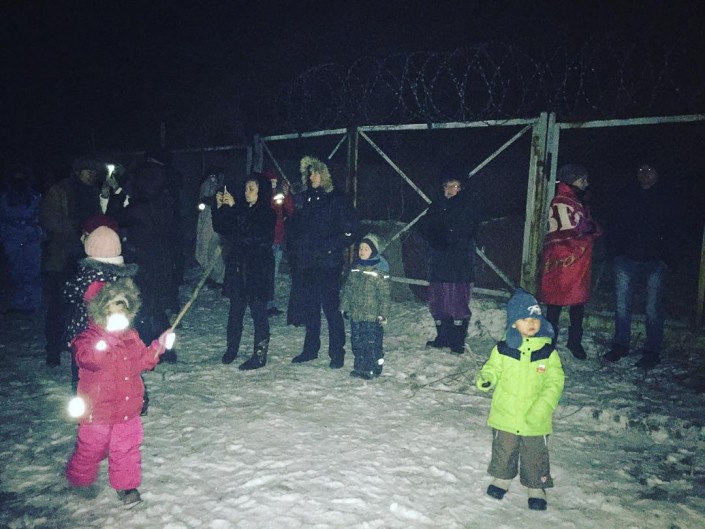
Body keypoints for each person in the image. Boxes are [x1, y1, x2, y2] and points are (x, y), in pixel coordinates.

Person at [65, 277, 174, 505]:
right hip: (98, 410)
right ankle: (80, 478)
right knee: (92, 449)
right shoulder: (88, 338)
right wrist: (109, 337)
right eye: (113, 312)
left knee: (126, 448)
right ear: (101, 312)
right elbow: (89, 359)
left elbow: (142, 361)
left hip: (127, 407)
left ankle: (126, 487)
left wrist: (159, 346)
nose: (119, 318)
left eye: (123, 313)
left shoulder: (131, 336)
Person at [475, 287, 564, 511]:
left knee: (535, 453)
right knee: (504, 448)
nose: (531, 323)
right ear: (514, 323)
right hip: (506, 412)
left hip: (536, 416)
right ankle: (502, 478)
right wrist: (486, 378)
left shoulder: (547, 352)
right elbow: (492, 368)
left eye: (535, 318)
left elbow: (555, 382)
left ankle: (536, 486)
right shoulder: (503, 348)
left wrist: (543, 407)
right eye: (525, 319)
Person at [286, 156, 359, 368]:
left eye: (315, 173)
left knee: (331, 308)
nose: (311, 177)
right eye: (309, 173)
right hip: (308, 263)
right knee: (310, 307)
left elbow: (350, 230)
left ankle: (337, 353)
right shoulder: (306, 199)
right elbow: (297, 227)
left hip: (328, 263)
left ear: (325, 175)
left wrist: (329, 246)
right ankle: (310, 349)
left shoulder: (337, 199)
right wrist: (297, 246)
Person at [602, 164, 677, 369]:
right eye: (642, 170)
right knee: (622, 306)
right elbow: (613, 223)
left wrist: (667, 259)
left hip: (655, 262)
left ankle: (652, 351)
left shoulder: (667, 198)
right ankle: (620, 346)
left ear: (658, 173)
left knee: (653, 308)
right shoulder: (626, 195)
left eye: (650, 170)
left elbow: (675, 230)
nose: (645, 174)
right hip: (626, 260)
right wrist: (615, 253)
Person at [39, 155, 106, 367]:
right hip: (62, 256)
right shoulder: (59, 192)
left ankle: (79, 345)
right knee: (59, 304)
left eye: (94, 173)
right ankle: (53, 349)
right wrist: (77, 227)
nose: (92, 176)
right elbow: (49, 220)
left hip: (85, 256)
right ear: (77, 172)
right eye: (88, 172)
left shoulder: (93, 192)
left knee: (84, 305)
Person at [119, 153, 180, 363]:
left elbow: (118, 216)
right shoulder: (164, 201)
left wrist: (118, 194)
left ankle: (150, 350)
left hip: (144, 262)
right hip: (160, 260)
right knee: (155, 309)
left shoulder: (139, 207)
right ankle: (166, 351)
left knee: (145, 309)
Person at [63, 222, 138, 395]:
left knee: (84, 373)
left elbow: (70, 295)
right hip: (104, 337)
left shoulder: (85, 278)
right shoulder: (111, 281)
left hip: (84, 336)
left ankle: (87, 398)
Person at [538, 164, 602, 360]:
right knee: (556, 302)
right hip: (563, 259)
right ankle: (550, 342)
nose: (586, 183)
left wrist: (590, 229)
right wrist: (590, 230)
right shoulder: (563, 201)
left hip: (577, 261)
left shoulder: (576, 199)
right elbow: (571, 230)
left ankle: (574, 342)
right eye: (583, 180)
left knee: (576, 303)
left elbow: (585, 225)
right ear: (572, 180)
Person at [213, 173, 276, 370]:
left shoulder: (267, 213)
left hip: (258, 269)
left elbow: (254, 234)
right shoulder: (241, 208)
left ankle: (259, 355)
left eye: (252, 189)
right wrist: (220, 208)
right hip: (239, 267)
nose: (247, 192)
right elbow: (223, 228)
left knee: (258, 311)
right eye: (246, 188)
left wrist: (234, 209)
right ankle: (232, 348)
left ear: (261, 192)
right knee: (235, 310)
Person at [421, 171, 481, 354]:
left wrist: (447, 237)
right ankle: (442, 337)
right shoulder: (437, 205)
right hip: (439, 262)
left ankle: (457, 341)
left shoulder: (467, 205)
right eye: (447, 186)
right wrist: (434, 237)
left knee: (457, 300)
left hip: (458, 264)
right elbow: (425, 226)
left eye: (454, 186)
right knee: (439, 300)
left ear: (461, 188)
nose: (450, 190)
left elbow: (466, 230)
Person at [340, 233, 391, 379]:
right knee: (357, 342)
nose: (362, 251)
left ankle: (373, 367)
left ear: (373, 251)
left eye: (366, 249)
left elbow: (385, 296)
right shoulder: (356, 269)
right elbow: (348, 289)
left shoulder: (379, 272)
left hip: (372, 317)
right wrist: (345, 307)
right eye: (361, 248)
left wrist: (383, 314)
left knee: (371, 343)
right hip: (356, 315)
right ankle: (360, 366)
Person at [0, 163, 43, 313]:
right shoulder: (4, 198)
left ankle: (33, 302)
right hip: (12, 239)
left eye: (22, 178)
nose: (19, 181)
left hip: (31, 239)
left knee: (32, 271)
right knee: (15, 271)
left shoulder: (36, 197)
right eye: (15, 178)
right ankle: (19, 303)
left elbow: (42, 217)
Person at [265, 169, 295, 316]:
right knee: (265, 274)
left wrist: (287, 194)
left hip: (278, 240)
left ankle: (269, 304)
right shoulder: (262, 197)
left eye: (274, 181)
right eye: (271, 181)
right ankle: (262, 304)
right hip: (266, 242)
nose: (273, 184)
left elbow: (290, 210)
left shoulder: (277, 196)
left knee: (273, 274)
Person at [194, 168, 226, 286]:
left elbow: (215, 199)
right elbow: (203, 199)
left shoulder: (220, 185)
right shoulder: (208, 183)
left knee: (213, 249)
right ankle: (212, 275)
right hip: (206, 219)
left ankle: (219, 278)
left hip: (214, 222)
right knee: (205, 247)